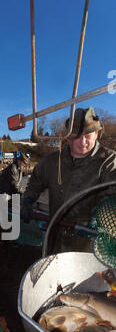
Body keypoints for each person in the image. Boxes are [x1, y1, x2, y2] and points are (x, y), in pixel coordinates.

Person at [20, 107, 116, 253]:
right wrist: (28, 199)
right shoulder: (51, 162)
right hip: (54, 238)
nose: (82, 141)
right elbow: (35, 181)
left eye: (88, 135)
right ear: (68, 136)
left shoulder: (110, 161)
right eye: (76, 135)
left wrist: (100, 217)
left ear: (96, 134)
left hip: (89, 244)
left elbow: (112, 195)